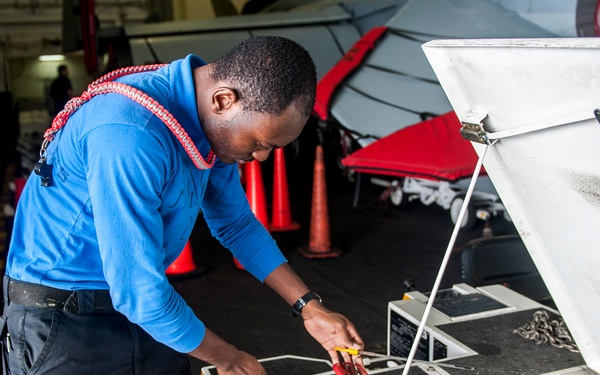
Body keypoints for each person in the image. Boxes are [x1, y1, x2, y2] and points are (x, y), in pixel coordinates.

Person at [2, 36, 365, 374]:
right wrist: (229, 359)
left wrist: (309, 307)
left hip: (139, 307)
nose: (263, 157)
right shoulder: (129, 133)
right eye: (259, 142)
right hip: (63, 322)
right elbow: (139, 294)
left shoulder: (210, 125)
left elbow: (236, 224)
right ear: (224, 100)